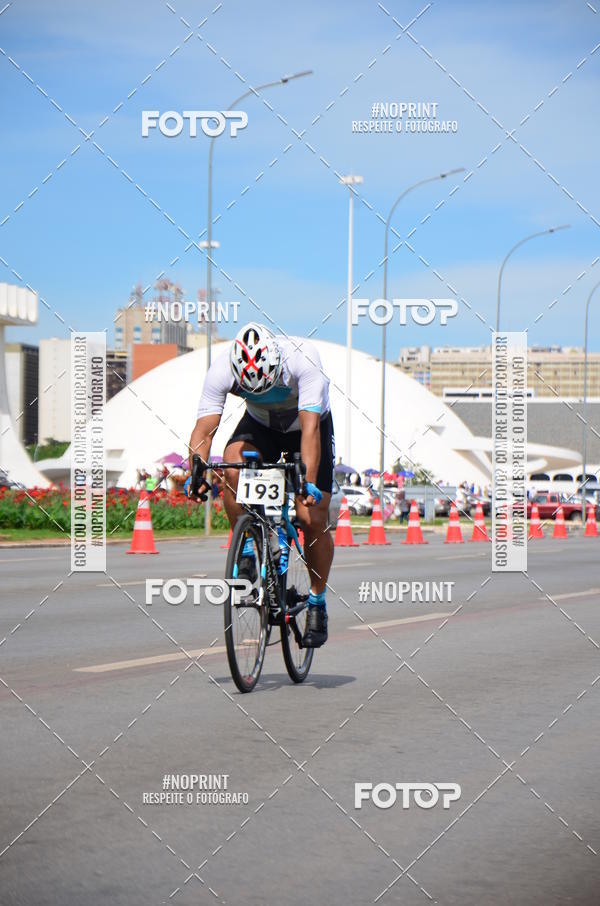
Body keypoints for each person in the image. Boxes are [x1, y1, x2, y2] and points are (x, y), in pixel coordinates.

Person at [187, 322, 335, 648]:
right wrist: (195, 472)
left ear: (278, 365)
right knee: (231, 469)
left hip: (306, 425)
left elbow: (310, 431)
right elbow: (204, 429)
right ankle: (250, 549)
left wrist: (308, 484)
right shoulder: (222, 368)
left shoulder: (304, 360)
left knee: (311, 517)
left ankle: (317, 601)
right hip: (261, 425)